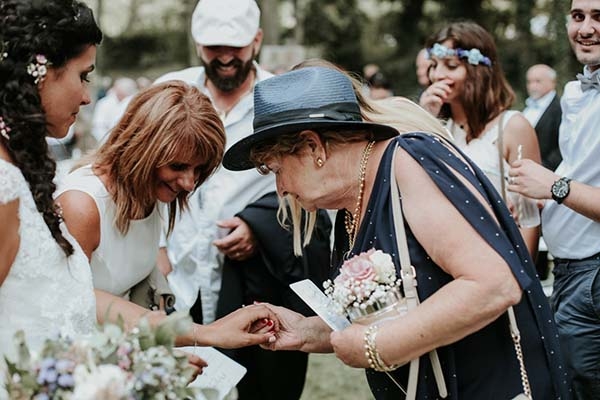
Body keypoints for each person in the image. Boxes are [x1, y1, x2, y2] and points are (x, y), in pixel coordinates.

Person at [223, 66, 570, 399]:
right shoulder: (351, 202)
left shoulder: (409, 161)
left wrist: (377, 347)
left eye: (277, 170)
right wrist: (305, 331)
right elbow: (389, 314)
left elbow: (493, 285)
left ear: (314, 147)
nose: (280, 189)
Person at [154, 1, 331, 398]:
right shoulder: (168, 93)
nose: (226, 57)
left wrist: (258, 224)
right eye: (214, 47)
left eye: (235, 46)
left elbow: (311, 187)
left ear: (257, 40)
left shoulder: (281, 99)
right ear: (198, 43)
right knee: (180, 380)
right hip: (176, 271)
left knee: (263, 383)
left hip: (257, 272)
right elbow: (138, 171)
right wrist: (158, 245)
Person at [56, 80, 279, 350]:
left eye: (198, 170)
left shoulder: (149, 190)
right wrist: (203, 333)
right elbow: (72, 299)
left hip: (126, 345)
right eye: (178, 166)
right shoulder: (82, 205)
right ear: (141, 150)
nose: (188, 183)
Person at [0, 0, 101, 364]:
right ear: (40, 72)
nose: (87, 96)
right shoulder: (3, 183)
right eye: (83, 75)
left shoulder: (20, 166)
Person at [508, 1, 600, 398]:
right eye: (578, 16)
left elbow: (563, 185)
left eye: (598, 17)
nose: (586, 28)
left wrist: (554, 188)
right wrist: (544, 196)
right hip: (566, 272)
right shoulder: (577, 91)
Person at [419, 22, 541, 257]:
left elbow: (530, 219)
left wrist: (522, 284)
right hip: (447, 261)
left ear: (479, 70)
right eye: (434, 65)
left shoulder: (512, 127)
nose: (438, 75)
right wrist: (425, 119)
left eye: (451, 65)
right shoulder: (437, 129)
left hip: (501, 259)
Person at [523, 64, 562, 171]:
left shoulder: (560, 108)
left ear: (552, 82)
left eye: (538, 81)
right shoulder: (527, 107)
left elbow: (562, 147)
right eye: (529, 82)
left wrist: (541, 169)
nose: (532, 86)